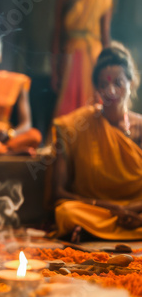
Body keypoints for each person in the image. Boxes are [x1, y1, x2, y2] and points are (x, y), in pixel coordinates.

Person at [52, 43, 142, 241]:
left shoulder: (140, 128)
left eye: (118, 82)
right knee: (66, 212)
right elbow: (59, 192)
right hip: (95, 209)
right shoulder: (77, 126)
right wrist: (112, 208)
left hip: (136, 210)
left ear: (131, 83)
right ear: (97, 88)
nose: (111, 91)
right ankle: (100, 228)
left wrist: (130, 211)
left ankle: (92, 231)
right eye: (103, 85)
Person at [51, 0, 112, 117]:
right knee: (68, 105)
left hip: (94, 58)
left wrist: (109, 67)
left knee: (92, 102)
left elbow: (105, 35)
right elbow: (57, 34)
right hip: (70, 59)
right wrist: (54, 71)